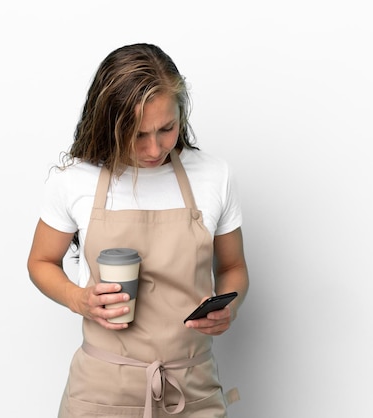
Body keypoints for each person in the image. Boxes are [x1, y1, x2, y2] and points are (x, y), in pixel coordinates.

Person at [27, 43, 249, 418]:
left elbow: (233, 268)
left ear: (183, 113)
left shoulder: (214, 176)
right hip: (99, 393)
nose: (154, 148)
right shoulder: (75, 180)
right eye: (137, 133)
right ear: (109, 123)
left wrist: (231, 305)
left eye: (167, 128)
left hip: (191, 391)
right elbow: (41, 261)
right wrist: (77, 298)